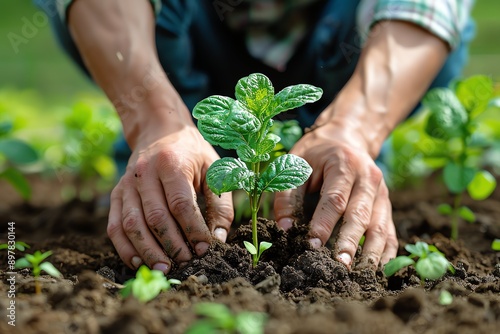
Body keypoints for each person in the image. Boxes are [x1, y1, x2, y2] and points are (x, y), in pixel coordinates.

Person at [35, 0, 474, 274]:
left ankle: (343, 166)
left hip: (342, 45)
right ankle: (164, 158)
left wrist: (354, 129)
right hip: (185, 43)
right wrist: (154, 123)